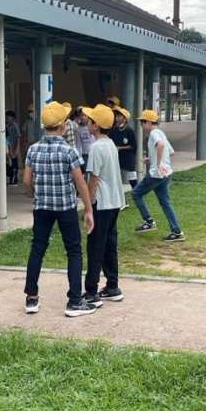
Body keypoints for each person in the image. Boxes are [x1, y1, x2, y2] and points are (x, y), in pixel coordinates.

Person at [23, 101, 97, 318]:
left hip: (42, 208)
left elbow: (26, 180)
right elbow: (80, 183)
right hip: (65, 208)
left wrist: (35, 193)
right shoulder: (69, 151)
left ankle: (31, 297)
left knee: (37, 248)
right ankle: (74, 300)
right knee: (73, 250)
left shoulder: (33, 149)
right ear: (63, 126)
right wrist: (89, 210)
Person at [81, 104, 125, 306]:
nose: (86, 123)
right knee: (109, 244)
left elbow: (94, 179)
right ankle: (112, 285)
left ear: (96, 125)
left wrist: (88, 205)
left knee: (95, 246)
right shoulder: (110, 144)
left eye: (90, 120)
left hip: (102, 202)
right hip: (114, 201)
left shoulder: (96, 147)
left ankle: (91, 291)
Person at [132, 109, 185, 242]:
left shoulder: (154, 133)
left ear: (149, 123)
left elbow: (160, 145)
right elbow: (171, 152)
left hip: (156, 174)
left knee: (136, 194)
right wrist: (152, 158)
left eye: (142, 122)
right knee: (165, 202)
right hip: (166, 174)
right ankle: (177, 231)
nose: (141, 125)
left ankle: (149, 221)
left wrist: (158, 163)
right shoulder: (161, 133)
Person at [109, 107, 138, 207]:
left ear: (125, 119)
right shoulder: (114, 130)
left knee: (132, 180)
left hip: (129, 159)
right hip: (117, 159)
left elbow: (133, 146)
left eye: (119, 116)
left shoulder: (130, 131)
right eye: (116, 116)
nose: (117, 118)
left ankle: (138, 197)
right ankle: (122, 201)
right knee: (117, 180)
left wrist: (120, 148)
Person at [6, 110, 21, 185]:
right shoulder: (6, 126)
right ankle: (11, 179)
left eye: (8, 117)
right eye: (7, 117)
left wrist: (17, 148)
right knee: (10, 163)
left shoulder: (15, 126)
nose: (7, 119)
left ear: (12, 118)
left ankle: (15, 179)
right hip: (8, 146)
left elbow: (18, 137)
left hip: (14, 147)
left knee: (14, 162)